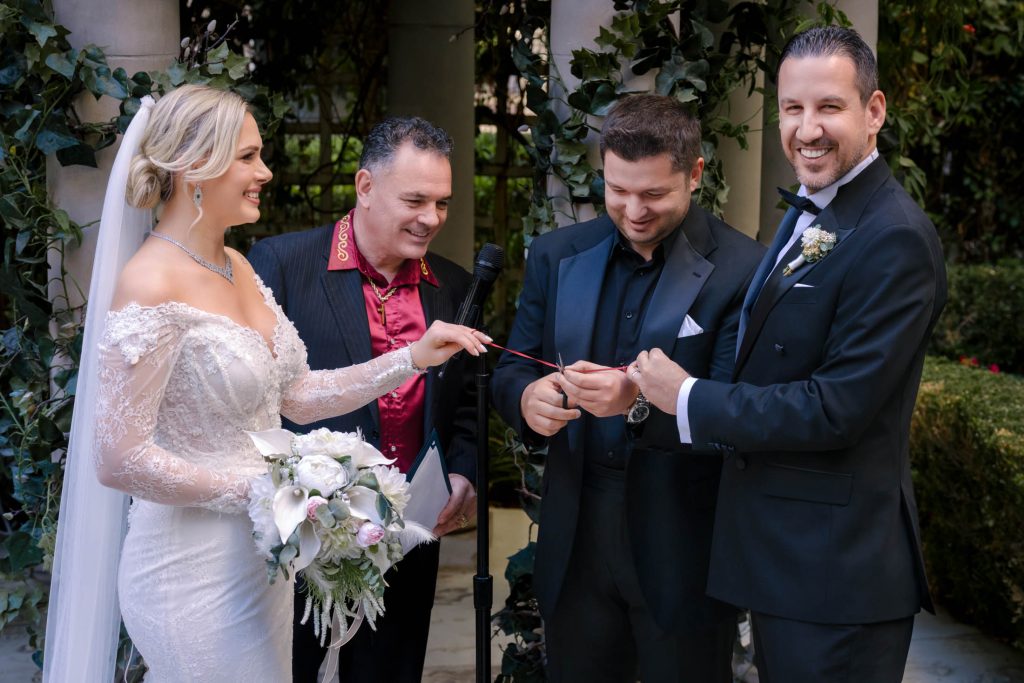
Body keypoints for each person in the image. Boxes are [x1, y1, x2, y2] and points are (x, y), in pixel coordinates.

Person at [42, 85, 489, 683]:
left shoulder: (238, 267)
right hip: (188, 571)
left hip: (261, 566)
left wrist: (410, 357)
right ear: (195, 167)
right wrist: (274, 489)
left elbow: (297, 394)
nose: (266, 172)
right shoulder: (150, 282)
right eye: (248, 157)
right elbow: (119, 459)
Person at [630, 26, 946, 683]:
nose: (807, 129)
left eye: (829, 106)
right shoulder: (814, 209)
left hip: (838, 580)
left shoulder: (896, 238)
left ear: (875, 110)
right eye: (792, 108)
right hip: (785, 567)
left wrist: (689, 396)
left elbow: (834, 407)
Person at [490, 94, 764, 682]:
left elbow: (735, 412)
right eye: (618, 190)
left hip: (682, 542)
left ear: (694, 174)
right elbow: (512, 366)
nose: (633, 210)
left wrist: (636, 402)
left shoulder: (743, 268)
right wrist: (524, 399)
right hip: (577, 530)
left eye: (653, 194)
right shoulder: (556, 254)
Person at [247, 116, 478, 683]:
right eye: (416, 200)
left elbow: (466, 399)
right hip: (305, 532)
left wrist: (465, 473)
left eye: (442, 203)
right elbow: (255, 397)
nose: (431, 219)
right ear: (365, 187)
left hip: (415, 533)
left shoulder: (453, 283)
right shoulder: (281, 263)